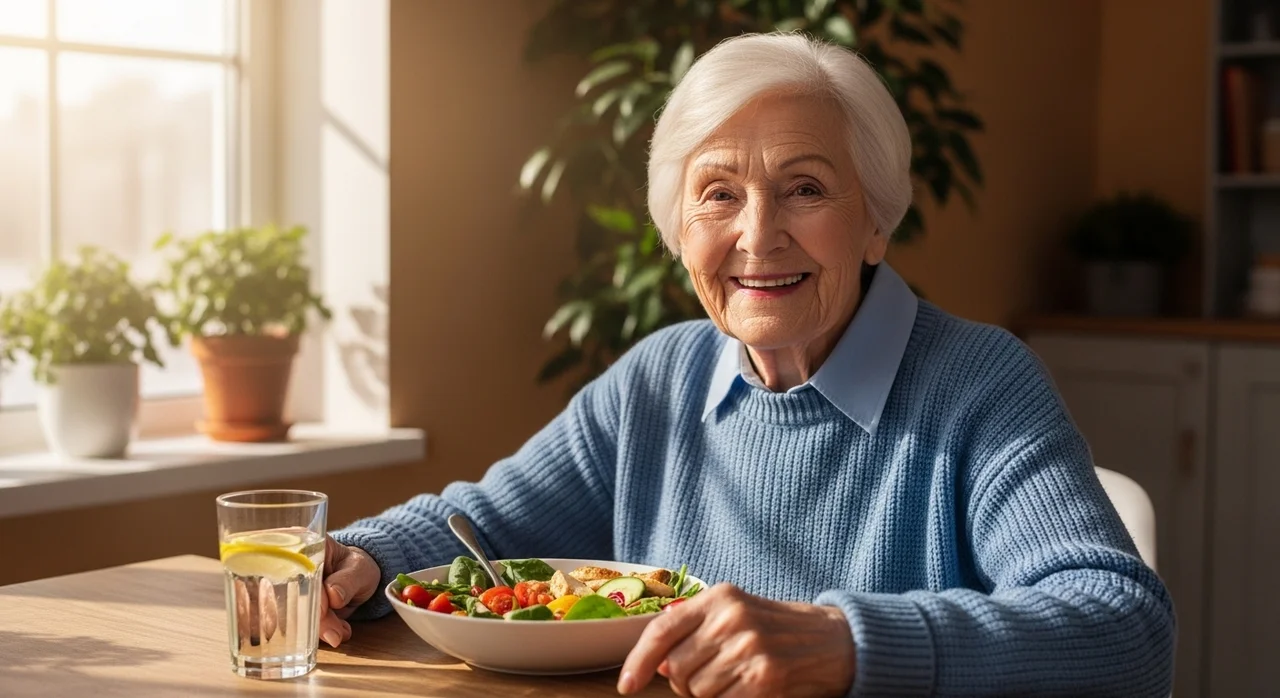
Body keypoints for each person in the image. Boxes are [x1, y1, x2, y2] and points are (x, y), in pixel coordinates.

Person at [317, 32, 1175, 697]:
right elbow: (487, 527)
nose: (758, 235)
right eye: (718, 193)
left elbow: (1124, 627)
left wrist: (846, 643)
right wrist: (364, 554)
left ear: (876, 221)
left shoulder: (978, 384)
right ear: (680, 233)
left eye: (805, 188)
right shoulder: (661, 377)